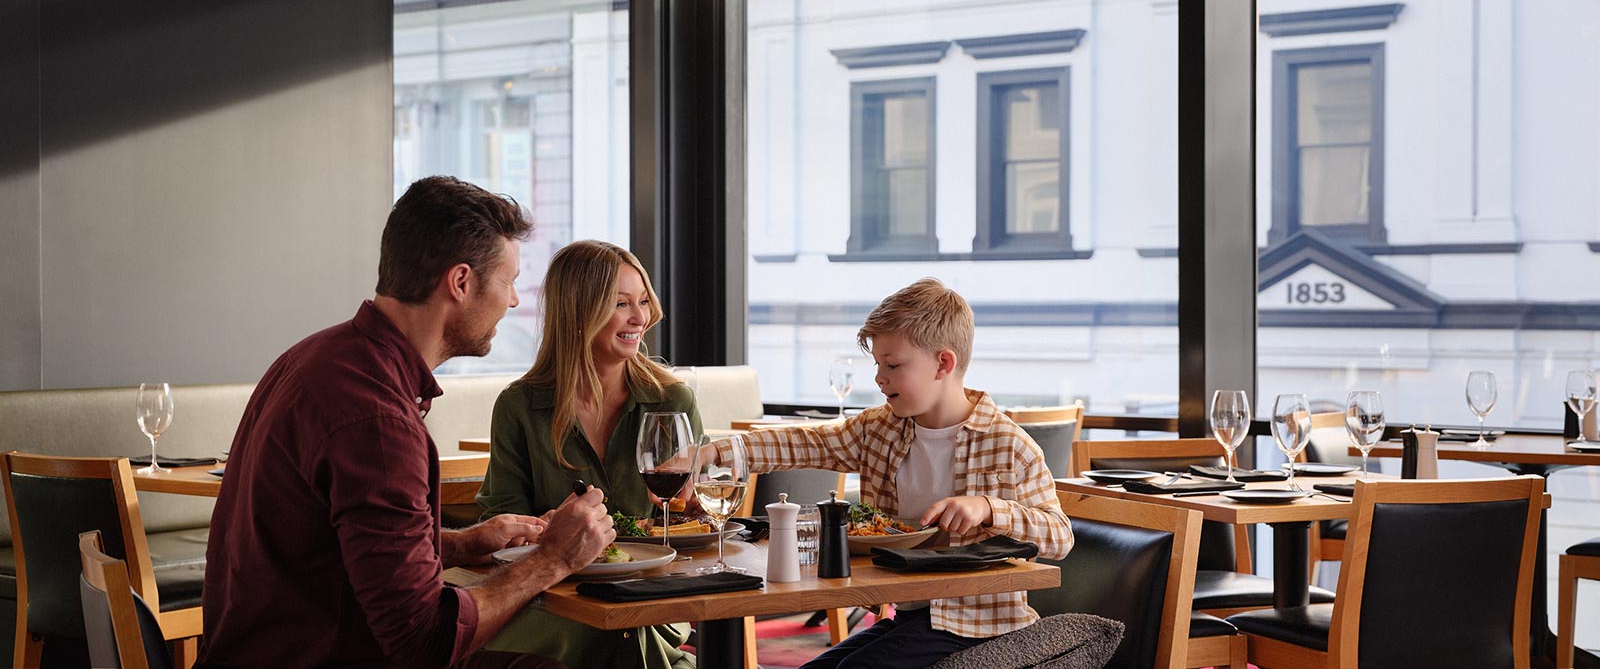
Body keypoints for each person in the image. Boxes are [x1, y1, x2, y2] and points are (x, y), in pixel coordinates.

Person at [197, 176, 615, 669]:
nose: (515, 301)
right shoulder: (377, 420)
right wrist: (555, 560)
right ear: (460, 282)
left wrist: (461, 543)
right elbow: (424, 643)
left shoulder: (315, 357)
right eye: (509, 281)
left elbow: (330, 544)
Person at [718, 278, 1074, 669]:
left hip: (983, 624)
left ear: (943, 363)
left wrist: (989, 508)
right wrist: (722, 451)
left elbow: (1060, 537)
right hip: (909, 615)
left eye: (893, 365)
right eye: (878, 364)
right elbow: (809, 442)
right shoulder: (882, 429)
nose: (879, 377)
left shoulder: (1009, 445)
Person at [475, 240, 701, 669]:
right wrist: (543, 529)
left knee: (627, 627)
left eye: (643, 302)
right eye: (621, 304)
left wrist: (693, 509)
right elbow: (500, 528)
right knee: (618, 635)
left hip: (650, 594)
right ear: (578, 313)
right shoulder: (520, 406)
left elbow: (697, 519)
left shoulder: (671, 402)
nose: (641, 318)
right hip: (554, 598)